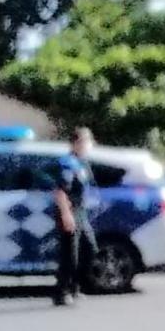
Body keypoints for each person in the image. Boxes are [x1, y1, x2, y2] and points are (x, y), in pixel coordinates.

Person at [53, 131, 96, 306]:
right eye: (86, 142)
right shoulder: (68, 164)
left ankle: (75, 285)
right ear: (76, 143)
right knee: (70, 255)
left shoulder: (83, 162)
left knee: (89, 248)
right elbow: (61, 191)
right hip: (69, 211)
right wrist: (66, 214)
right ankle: (62, 291)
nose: (89, 145)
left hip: (81, 212)